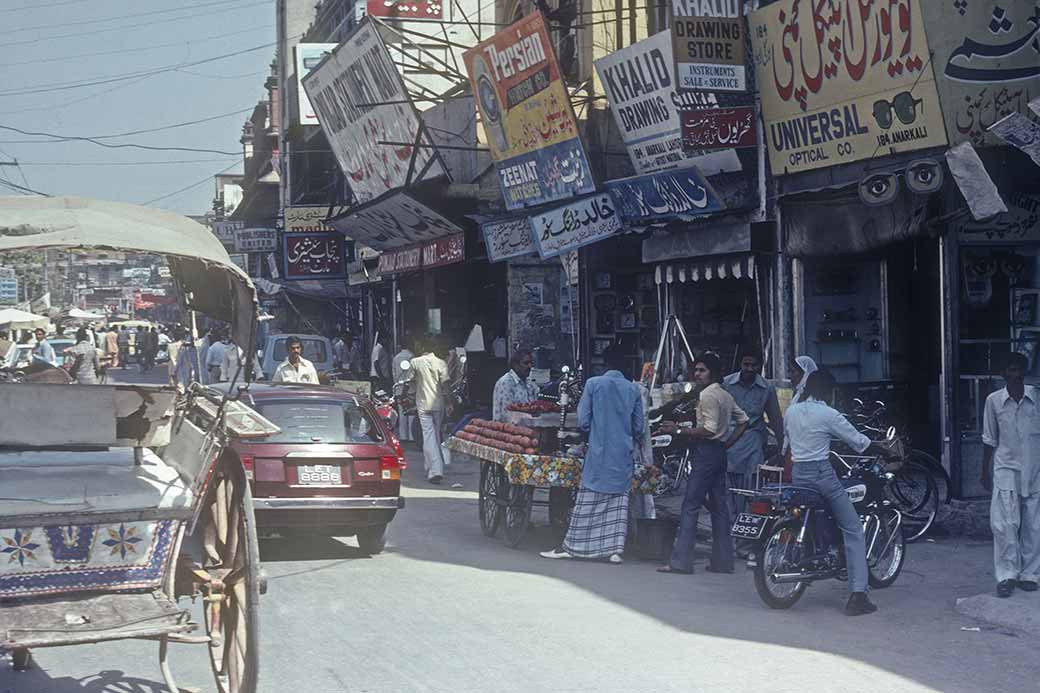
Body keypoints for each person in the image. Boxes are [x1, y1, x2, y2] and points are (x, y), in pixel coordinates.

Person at [784, 369, 891, 616]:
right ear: (828, 391)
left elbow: (790, 439)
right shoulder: (829, 414)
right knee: (853, 529)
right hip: (822, 475)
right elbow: (858, 441)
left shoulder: (791, 411)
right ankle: (858, 595)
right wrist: (884, 450)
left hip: (798, 474)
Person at [540, 346, 644, 564]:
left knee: (588, 501)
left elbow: (584, 421)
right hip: (622, 455)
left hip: (599, 452)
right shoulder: (633, 390)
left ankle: (573, 546)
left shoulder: (594, 384)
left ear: (604, 364)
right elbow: (639, 426)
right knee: (617, 503)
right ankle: (614, 550)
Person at [659, 352, 748, 576]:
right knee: (719, 508)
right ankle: (722, 561)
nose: (697, 374)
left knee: (691, 505)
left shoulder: (708, 395)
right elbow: (743, 421)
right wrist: (727, 443)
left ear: (713, 373)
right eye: (696, 370)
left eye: (702, 370)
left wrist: (679, 430)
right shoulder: (725, 395)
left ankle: (681, 562)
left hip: (706, 451)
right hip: (718, 453)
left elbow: (708, 429)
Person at [981, 352, 1040, 598]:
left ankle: (1030, 574)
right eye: (1010, 371)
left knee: (1033, 525)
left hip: (1035, 469)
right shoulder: (993, 401)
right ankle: (1006, 575)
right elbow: (989, 439)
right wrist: (984, 471)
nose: (1015, 375)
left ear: (1024, 373)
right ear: (1003, 375)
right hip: (1006, 468)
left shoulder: (1036, 398)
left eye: (1018, 371)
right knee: (1005, 524)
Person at [723, 347, 784, 512]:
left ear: (759, 366)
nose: (749, 369)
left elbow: (776, 419)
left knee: (752, 486)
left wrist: (782, 447)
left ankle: (748, 521)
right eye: (746, 364)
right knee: (730, 489)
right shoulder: (726, 384)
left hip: (754, 440)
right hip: (730, 441)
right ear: (740, 364)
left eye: (754, 365)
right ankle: (733, 525)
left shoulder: (767, 388)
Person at [410, 338, 449, 484]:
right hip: (439, 404)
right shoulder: (441, 362)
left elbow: (410, 379)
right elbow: (446, 384)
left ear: (421, 347)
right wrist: (450, 402)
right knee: (436, 436)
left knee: (428, 436)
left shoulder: (415, 362)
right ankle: (429, 465)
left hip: (423, 404)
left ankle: (435, 471)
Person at [492, 349, 538, 422]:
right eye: (526, 363)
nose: (530, 366)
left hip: (528, 428)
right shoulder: (506, 383)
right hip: (507, 429)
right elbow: (506, 414)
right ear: (515, 365)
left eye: (531, 363)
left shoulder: (530, 384)